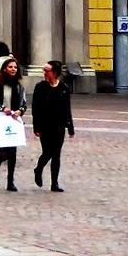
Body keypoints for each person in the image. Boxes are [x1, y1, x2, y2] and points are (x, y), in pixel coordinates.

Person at [32, 60, 75, 192]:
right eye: (44, 70)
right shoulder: (40, 87)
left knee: (56, 154)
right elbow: (35, 109)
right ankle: (38, 169)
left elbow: (67, 109)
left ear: (55, 72)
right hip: (45, 125)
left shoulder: (63, 88)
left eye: (47, 70)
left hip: (59, 125)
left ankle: (54, 183)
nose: (44, 73)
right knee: (47, 152)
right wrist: (36, 127)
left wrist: (70, 127)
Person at [0, 57, 27, 191]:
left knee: (12, 151)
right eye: (10, 67)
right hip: (1, 120)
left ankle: (11, 181)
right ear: (5, 68)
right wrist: (1, 108)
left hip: (14, 121)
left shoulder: (19, 87)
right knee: (3, 150)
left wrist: (19, 112)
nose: (13, 69)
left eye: (15, 67)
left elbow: (24, 104)